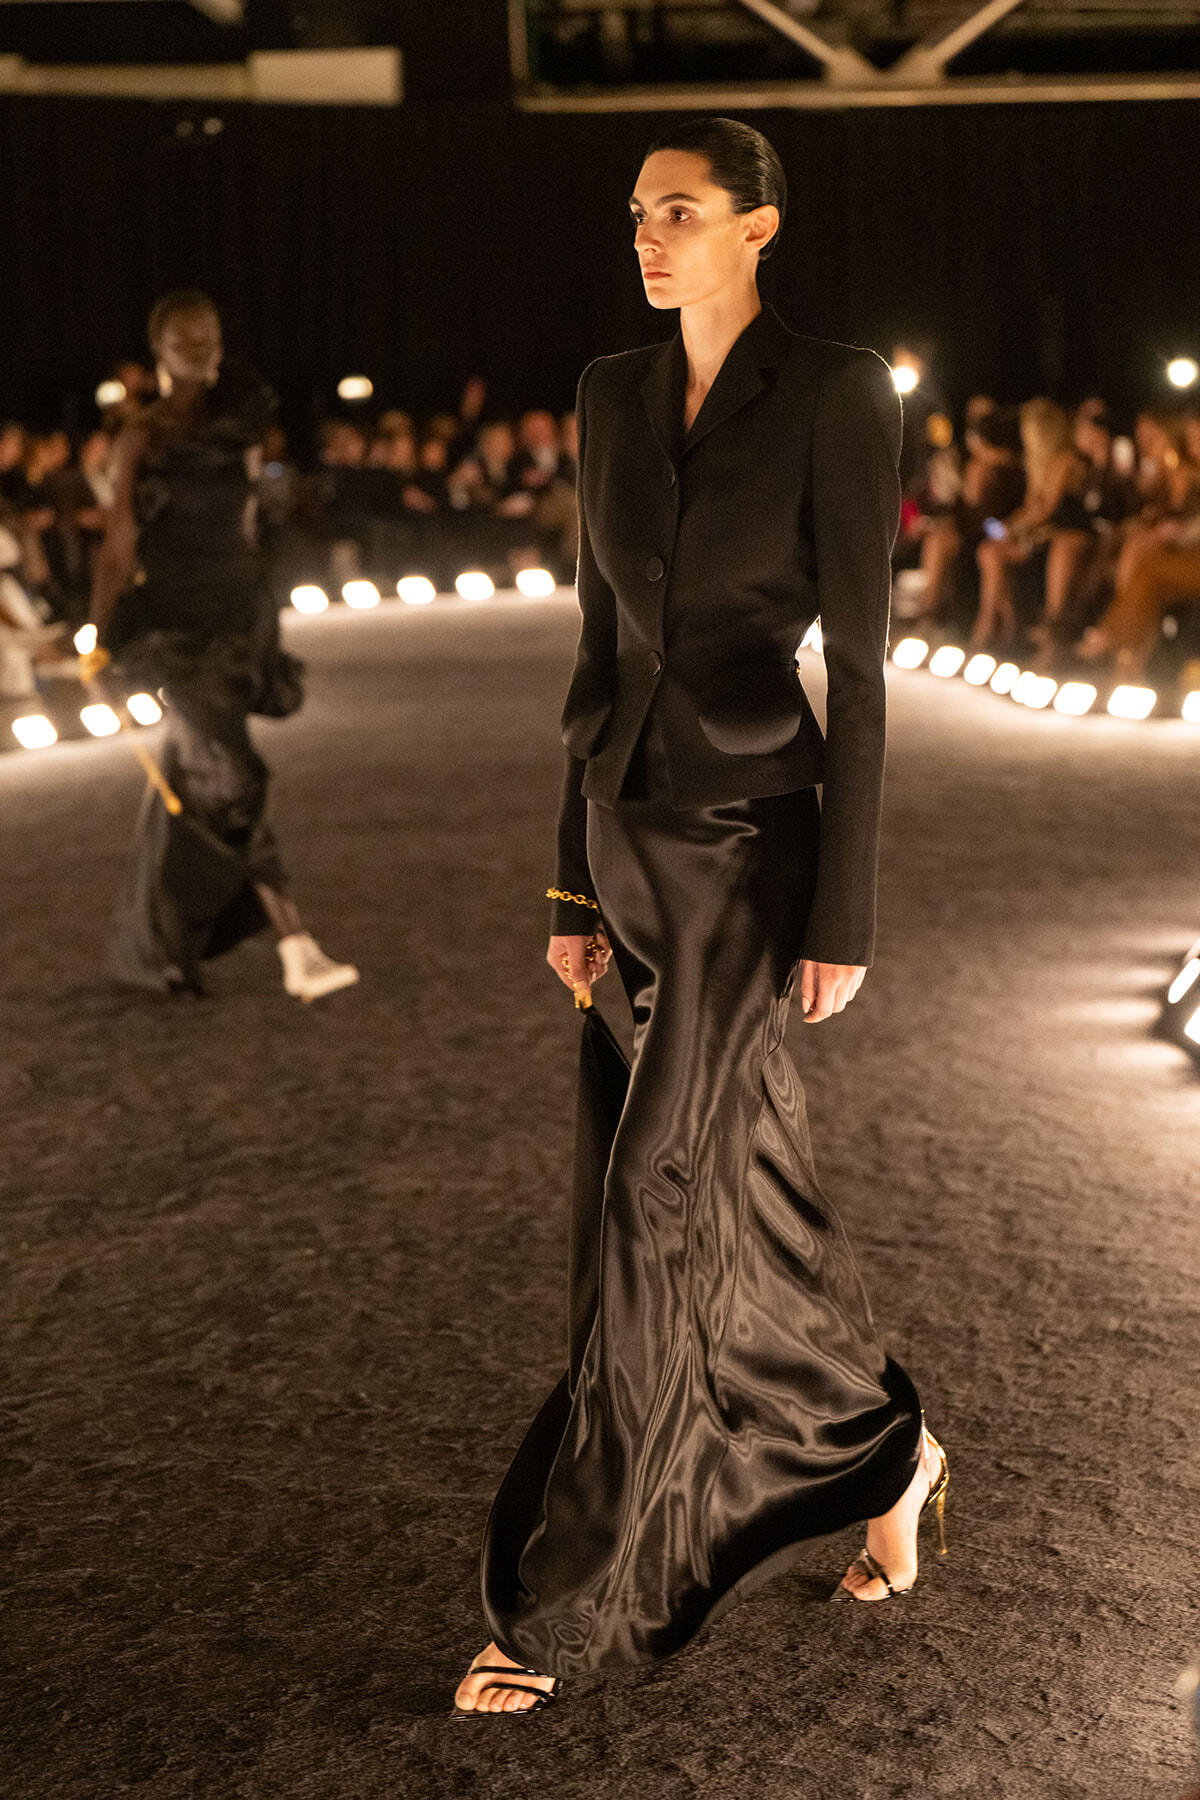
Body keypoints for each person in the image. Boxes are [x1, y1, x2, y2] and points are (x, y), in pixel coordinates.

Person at [455, 116, 947, 1717]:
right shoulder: (607, 392)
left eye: (681, 211)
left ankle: (563, 1601)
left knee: (656, 1190)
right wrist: (564, 877)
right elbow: (597, 653)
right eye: (637, 214)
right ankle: (891, 1452)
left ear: (760, 227)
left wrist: (845, 911)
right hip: (625, 844)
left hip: (750, 854)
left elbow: (862, 673)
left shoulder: (836, 390)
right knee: (753, 1193)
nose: (649, 237)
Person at [82, 289, 358, 1003]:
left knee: (202, 778)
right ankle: (296, 943)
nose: (201, 349)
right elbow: (119, 544)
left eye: (209, 336)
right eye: (184, 340)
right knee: (232, 777)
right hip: (179, 622)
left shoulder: (242, 425)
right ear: (158, 351)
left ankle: (155, 945)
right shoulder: (141, 435)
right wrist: (96, 631)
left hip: (240, 616)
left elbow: (246, 526)